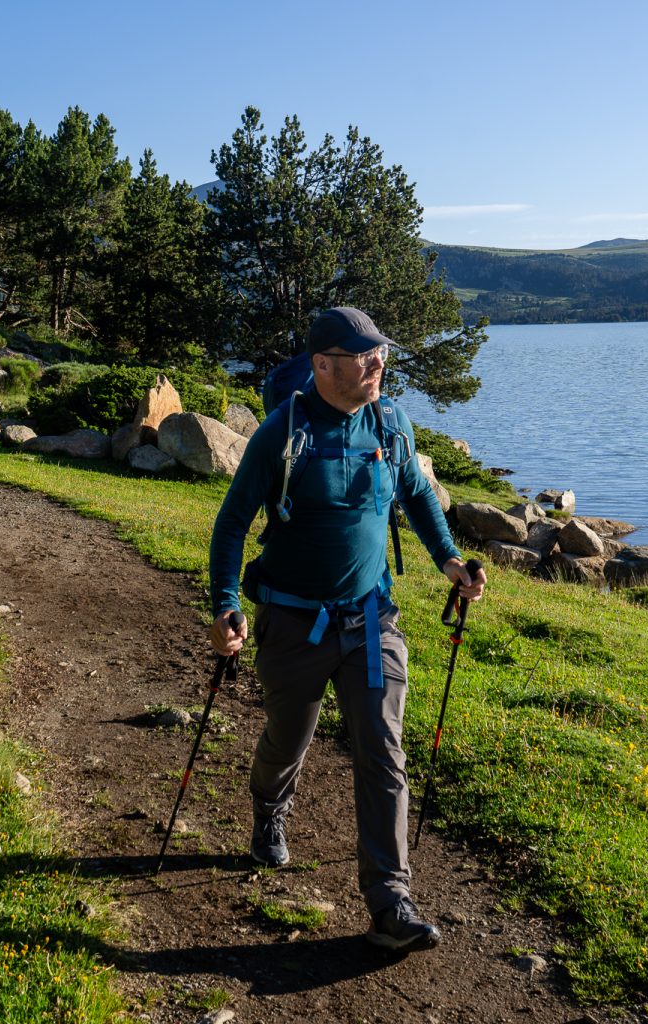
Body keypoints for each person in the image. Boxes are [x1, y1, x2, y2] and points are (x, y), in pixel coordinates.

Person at [208, 306, 486, 952]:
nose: (378, 364)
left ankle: (391, 901)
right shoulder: (283, 432)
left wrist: (448, 559)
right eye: (364, 356)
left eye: (381, 353)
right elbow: (230, 526)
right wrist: (226, 604)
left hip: (370, 618)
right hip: (292, 622)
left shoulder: (390, 422)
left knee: (383, 751)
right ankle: (269, 811)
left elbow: (415, 492)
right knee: (286, 742)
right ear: (323, 365)